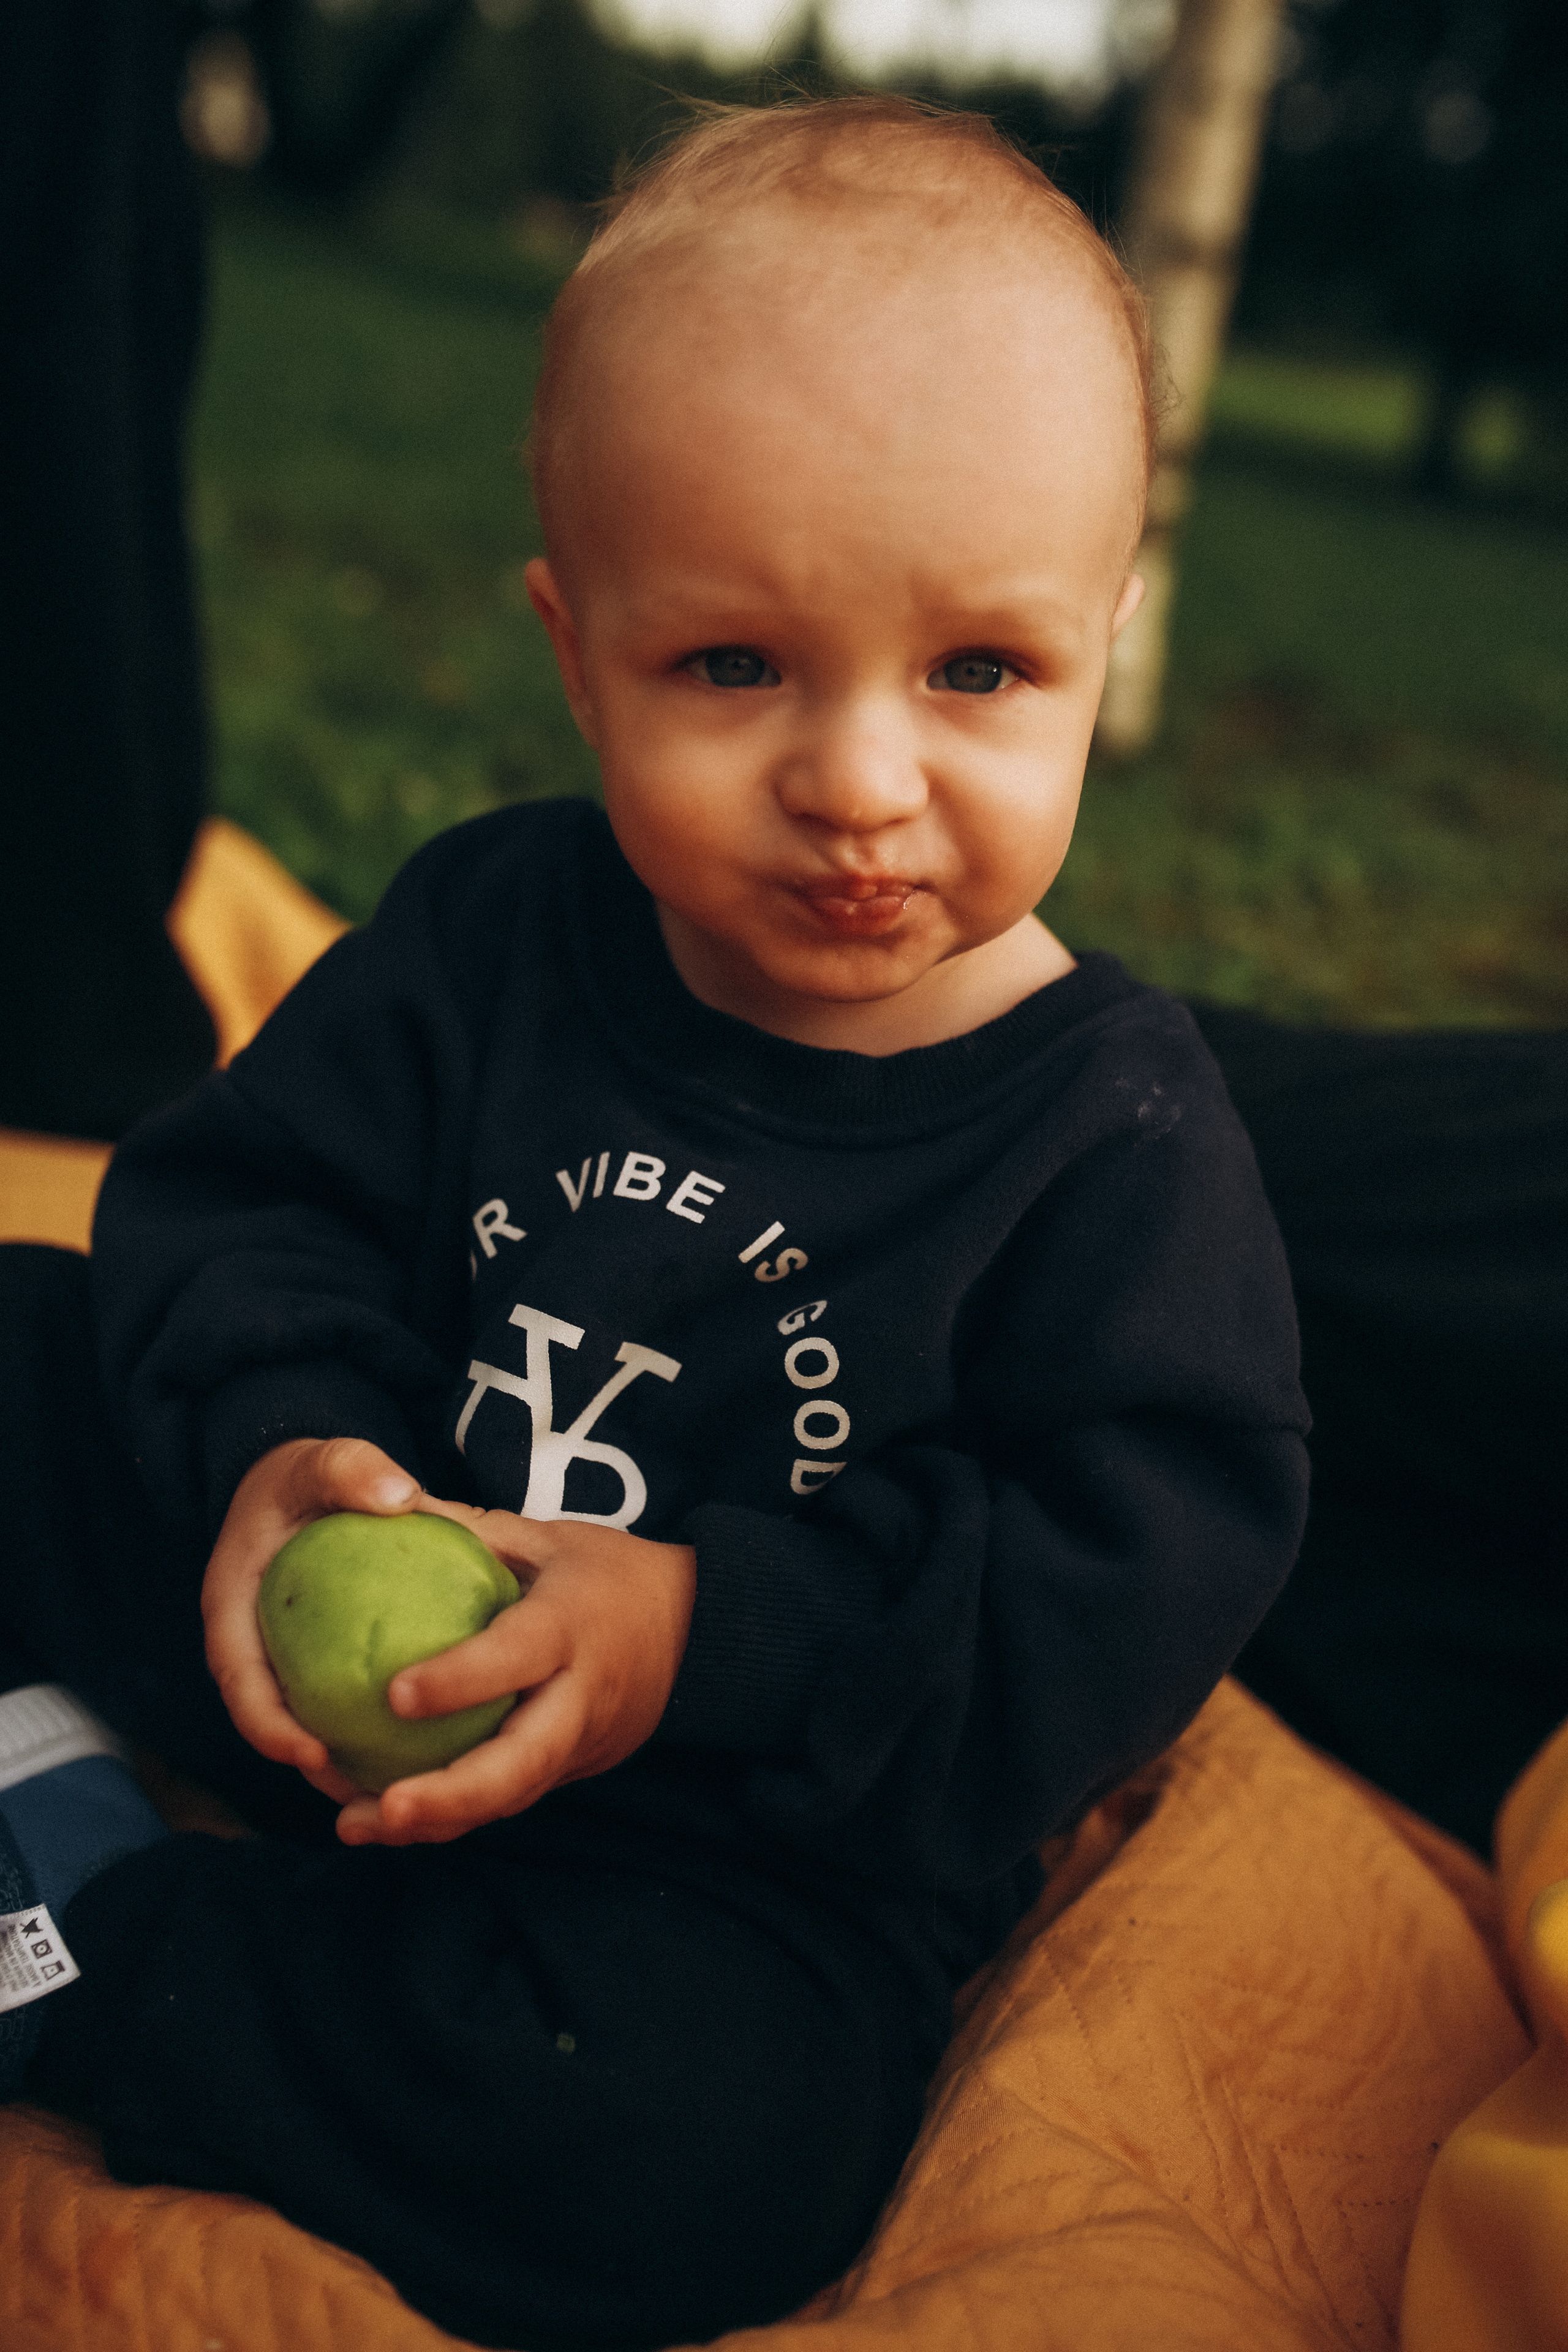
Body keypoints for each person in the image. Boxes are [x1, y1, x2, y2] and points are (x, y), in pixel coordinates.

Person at [0, 97, 1310, 2352]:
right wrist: (284, 1445)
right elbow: (244, 1206)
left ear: (1109, 640)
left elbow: (1127, 1569)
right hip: (327, 1625)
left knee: (699, 2144)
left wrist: (696, 1640)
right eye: (734, 668)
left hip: (719, 1842)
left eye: (980, 673)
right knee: (27, 1336)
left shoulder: (1112, 1137)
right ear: (579, 646)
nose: (863, 781)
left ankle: (101, 1933)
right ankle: (119, 1767)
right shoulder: (497, 929)